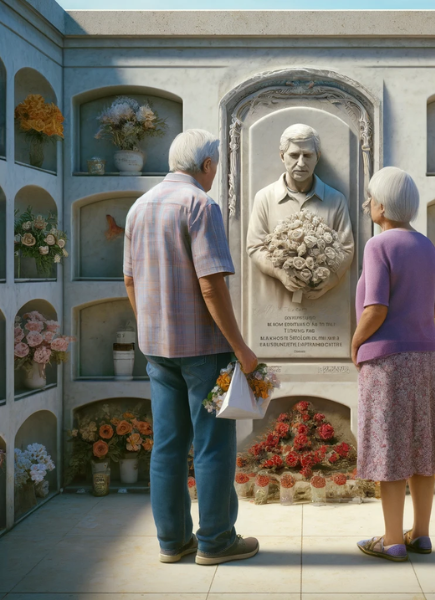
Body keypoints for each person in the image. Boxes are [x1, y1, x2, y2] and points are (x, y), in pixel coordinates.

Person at [123, 129, 259, 566]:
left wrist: (149, 326)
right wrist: (240, 348)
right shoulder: (200, 204)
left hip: (157, 350)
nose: (215, 172)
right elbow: (211, 283)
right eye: (215, 164)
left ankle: (172, 541)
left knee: (166, 445)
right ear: (205, 165)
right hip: (205, 350)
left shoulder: (139, 207)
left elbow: (129, 280)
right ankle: (216, 542)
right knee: (213, 446)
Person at [352, 167, 435, 562]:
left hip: (388, 360)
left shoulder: (379, 245)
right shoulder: (427, 246)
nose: (367, 203)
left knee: (388, 449)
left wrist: (356, 342)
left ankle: (391, 540)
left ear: (383, 205)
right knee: (422, 447)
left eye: (371, 197)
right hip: (428, 358)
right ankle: (421, 535)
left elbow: (375, 308)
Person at [246, 123, 354, 301]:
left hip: (324, 304)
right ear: (282, 156)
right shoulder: (264, 198)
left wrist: (330, 280)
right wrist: (279, 273)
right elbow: (255, 246)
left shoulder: (336, 200)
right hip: (275, 301)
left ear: (317, 157)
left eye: (308, 155)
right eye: (294, 155)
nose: (301, 163)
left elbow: (346, 248)